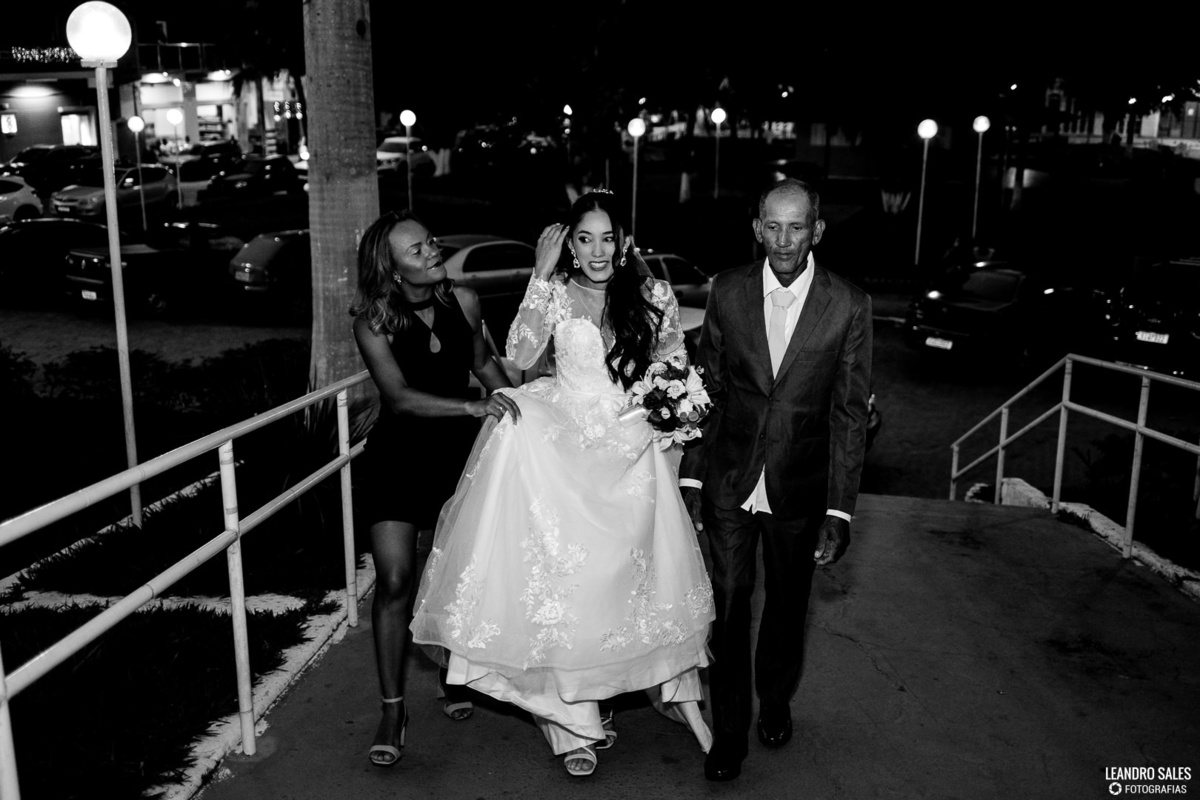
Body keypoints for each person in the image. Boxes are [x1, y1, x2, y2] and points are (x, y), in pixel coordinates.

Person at [410, 191, 715, 777]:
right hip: (565, 448)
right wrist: (541, 276)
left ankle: (679, 695)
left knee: (638, 580)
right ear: (569, 245)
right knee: (569, 585)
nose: (597, 251)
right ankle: (571, 721)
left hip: (631, 450)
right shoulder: (555, 291)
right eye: (584, 239)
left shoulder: (652, 294)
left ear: (623, 242)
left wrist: (673, 408)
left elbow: (675, 363)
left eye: (607, 238)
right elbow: (522, 359)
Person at [680, 178, 873, 782]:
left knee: (788, 608)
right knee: (731, 607)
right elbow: (706, 388)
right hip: (731, 479)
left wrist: (839, 511)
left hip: (802, 486)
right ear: (757, 228)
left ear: (816, 230)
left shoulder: (849, 304)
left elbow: (848, 414)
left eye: (796, 227)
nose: (783, 240)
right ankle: (729, 734)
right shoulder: (728, 290)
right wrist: (691, 479)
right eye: (772, 226)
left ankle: (777, 698)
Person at [351, 210, 521, 768]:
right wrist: (472, 405)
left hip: (456, 461)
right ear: (391, 269)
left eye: (429, 242)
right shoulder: (373, 322)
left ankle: (453, 676)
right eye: (416, 250)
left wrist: (527, 410)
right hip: (398, 458)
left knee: (456, 577)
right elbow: (398, 397)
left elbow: (481, 363)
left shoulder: (464, 301)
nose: (431, 251)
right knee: (396, 579)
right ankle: (393, 708)